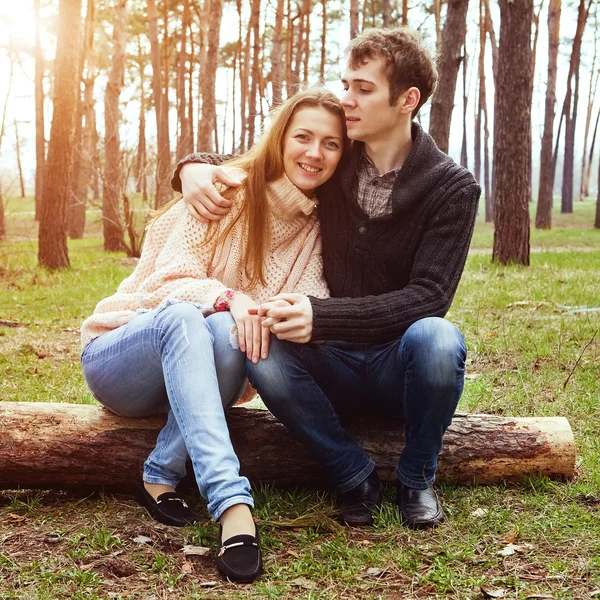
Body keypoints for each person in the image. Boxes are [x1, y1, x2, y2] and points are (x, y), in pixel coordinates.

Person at [172, 27, 481, 530]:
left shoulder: (452, 187)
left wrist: (322, 314)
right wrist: (192, 168)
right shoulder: (337, 159)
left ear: (407, 100)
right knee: (260, 344)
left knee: (439, 338)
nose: (347, 99)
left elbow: (431, 296)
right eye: (345, 84)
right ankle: (352, 474)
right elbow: (259, 159)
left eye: (363, 88)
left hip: (396, 363)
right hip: (328, 361)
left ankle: (417, 476)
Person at [80, 88, 346, 583]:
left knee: (224, 328)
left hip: (201, 371)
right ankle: (232, 506)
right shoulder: (221, 192)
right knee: (190, 314)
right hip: (123, 356)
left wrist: (268, 310)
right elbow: (169, 280)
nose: (314, 153)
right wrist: (231, 295)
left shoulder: (317, 230)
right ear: (279, 139)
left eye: (331, 144)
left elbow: (303, 303)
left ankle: (159, 472)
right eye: (303, 137)